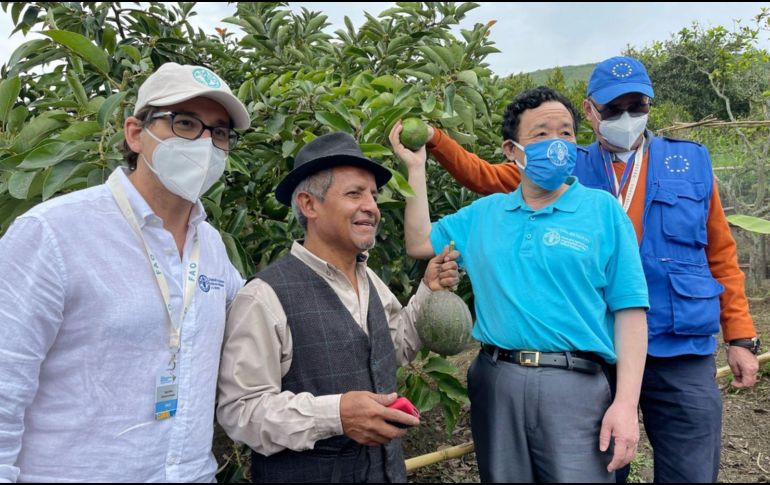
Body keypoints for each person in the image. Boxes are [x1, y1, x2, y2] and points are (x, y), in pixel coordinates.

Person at [418, 56, 760, 483]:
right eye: (613, 108)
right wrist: (434, 140)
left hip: (679, 344)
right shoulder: (563, 161)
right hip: (601, 349)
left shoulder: (688, 161)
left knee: (689, 469)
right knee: (604, 465)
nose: (627, 116)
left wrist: (740, 335)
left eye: (637, 106)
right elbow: (486, 177)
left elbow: (721, 254)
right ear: (591, 111)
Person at [0, 62, 250, 482]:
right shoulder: (52, 233)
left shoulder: (209, 246)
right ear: (135, 133)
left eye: (220, 132)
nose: (206, 144)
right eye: (185, 123)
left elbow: (257, 321)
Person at [389, 86, 649, 483]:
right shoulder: (484, 214)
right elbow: (420, 241)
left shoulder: (603, 211)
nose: (557, 143)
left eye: (566, 133)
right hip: (497, 380)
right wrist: (416, 167)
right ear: (512, 150)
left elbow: (630, 312)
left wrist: (627, 405)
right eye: (542, 134)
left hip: (576, 383)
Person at [216, 132, 460, 483]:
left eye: (373, 195)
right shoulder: (263, 297)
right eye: (354, 194)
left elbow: (393, 349)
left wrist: (428, 289)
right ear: (309, 205)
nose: (372, 206)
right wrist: (335, 415)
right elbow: (241, 411)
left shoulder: (370, 280)